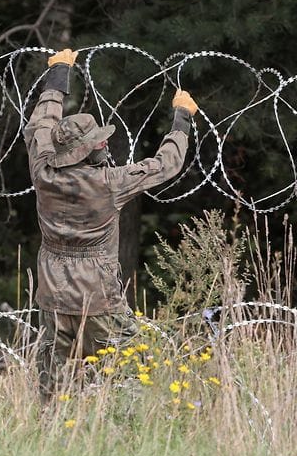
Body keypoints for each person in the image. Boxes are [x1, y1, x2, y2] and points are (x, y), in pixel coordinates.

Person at [23, 48, 198, 403]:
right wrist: (182, 118)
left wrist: (58, 73)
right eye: (97, 141)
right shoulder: (110, 182)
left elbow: (41, 123)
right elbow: (167, 164)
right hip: (97, 296)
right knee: (131, 369)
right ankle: (121, 430)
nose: (104, 142)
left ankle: (51, 437)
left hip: (53, 293)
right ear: (88, 150)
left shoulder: (42, 169)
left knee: (54, 385)